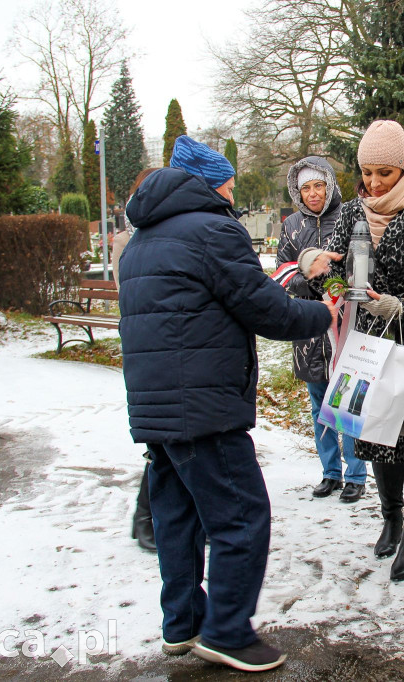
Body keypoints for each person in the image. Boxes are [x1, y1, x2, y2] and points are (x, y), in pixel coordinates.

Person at [118, 135, 335, 672]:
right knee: (241, 517)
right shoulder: (213, 230)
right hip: (203, 405)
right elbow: (264, 309)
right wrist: (323, 314)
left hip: (157, 406)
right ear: (208, 184)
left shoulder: (143, 237)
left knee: (178, 517)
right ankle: (228, 632)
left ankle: (184, 622)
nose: (232, 194)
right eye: (229, 184)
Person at [300, 120, 404, 582]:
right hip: (369, 344)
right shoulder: (351, 214)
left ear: (403, 169)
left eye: (383, 173)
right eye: (366, 172)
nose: (372, 183)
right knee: (379, 439)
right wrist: (325, 276)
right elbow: (327, 266)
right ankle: (389, 517)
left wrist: (400, 304)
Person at [277, 156, 366, 503]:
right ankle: (330, 472)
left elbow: (359, 261)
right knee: (319, 405)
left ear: (329, 185)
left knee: (348, 402)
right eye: (306, 188)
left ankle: (356, 474)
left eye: (318, 186)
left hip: (346, 325)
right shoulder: (291, 225)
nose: (313, 194)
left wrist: (336, 281)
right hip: (309, 328)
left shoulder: (349, 216)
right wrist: (307, 279)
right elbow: (285, 270)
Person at [113, 167, 161, 554]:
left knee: (172, 441)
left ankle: (154, 517)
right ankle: (143, 516)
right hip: (149, 346)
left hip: (166, 345)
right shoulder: (129, 241)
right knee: (160, 443)